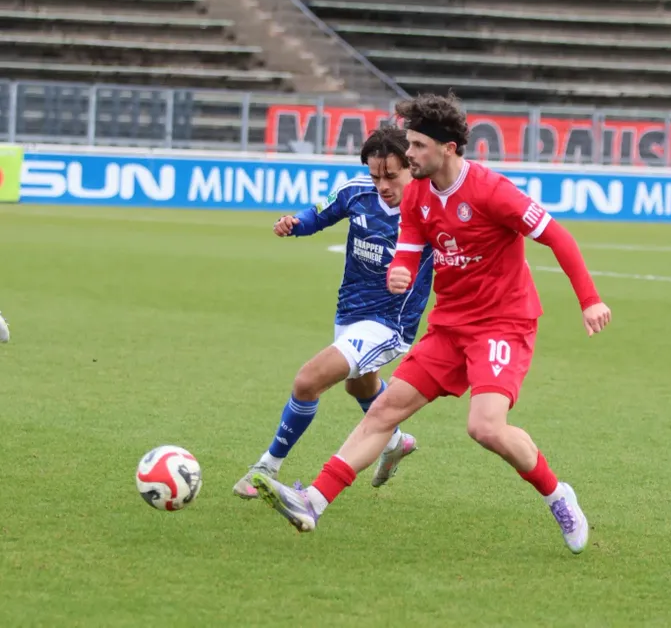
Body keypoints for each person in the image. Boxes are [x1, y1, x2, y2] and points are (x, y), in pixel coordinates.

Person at [251, 93, 612, 555]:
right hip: (449, 325)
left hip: (503, 323)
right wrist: (401, 268)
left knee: (485, 428)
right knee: (385, 411)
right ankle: (314, 500)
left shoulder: (492, 191)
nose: (411, 155)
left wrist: (590, 300)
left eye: (418, 146)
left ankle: (558, 495)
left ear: (448, 148)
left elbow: (558, 237)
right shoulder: (417, 193)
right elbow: (410, 241)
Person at [233, 126, 434, 498]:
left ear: (411, 167)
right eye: (376, 175)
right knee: (359, 386)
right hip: (350, 312)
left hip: (390, 324)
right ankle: (395, 443)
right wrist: (294, 224)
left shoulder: (430, 210)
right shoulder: (356, 192)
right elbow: (318, 214)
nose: (382, 184)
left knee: (308, 380)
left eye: (391, 175)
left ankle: (267, 465)